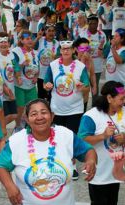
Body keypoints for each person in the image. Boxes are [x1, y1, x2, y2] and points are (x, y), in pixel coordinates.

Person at [44, 40, 90, 180]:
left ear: (73, 50)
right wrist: (47, 86)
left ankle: (72, 165)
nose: (65, 51)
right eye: (63, 49)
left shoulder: (80, 66)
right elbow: (46, 82)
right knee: (55, 137)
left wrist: (83, 87)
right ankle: (57, 163)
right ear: (60, 51)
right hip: (56, 109)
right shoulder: (53, 66)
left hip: (75, 109)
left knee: (71, 137)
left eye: (68, 49)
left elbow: (87, 85)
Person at [12, 29, 39, 132]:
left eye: (31, 38)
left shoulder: (34, 53)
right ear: (21, 40)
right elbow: (14, 66)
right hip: (19, 85)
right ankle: (18, 126)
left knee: (32, 106)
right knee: (20, 107)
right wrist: (20, 68)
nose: (30, 40)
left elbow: (37, 66)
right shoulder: (16, 51)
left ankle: (30, 125)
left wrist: (36, 76)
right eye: (27, 39)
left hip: (31, 85)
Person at [79, 14, 107, 97]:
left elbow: (106, 49)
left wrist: (102, 51)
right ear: (88, 23)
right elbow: (77, 48)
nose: (92, 26)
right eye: (90, 23)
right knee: (85, 85)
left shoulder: (102, 35)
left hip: (97, 64)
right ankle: (84, 104)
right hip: (85, 64)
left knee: (95, 86)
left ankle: (95, 106)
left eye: (94, 23)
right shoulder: (83, 34)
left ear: (97, 24)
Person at [0, 32, 17, 125]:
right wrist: (5, 88)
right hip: (1, 91)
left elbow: (16, 67)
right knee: (6, 116)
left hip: (11, 88)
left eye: (5, 42)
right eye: (1, 42)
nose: (3, 44)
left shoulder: (12, 55)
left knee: (14, 115)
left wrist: (19, 77)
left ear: (9, 44)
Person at [105, 28, 125, 99]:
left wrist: (113, 48)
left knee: (120, 105)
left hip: (122, 84)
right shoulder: (112, 47)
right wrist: (103, 46)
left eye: (116, 36)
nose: (114, 38)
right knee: (111, 105)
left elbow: (119, 61)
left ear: (122, 39)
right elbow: (103, 55)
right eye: (114, 36)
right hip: (110, 83)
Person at [35, 23, 59, 101]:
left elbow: (59, 56)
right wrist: (37, 38)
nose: (51, 33)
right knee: (41, 96)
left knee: (51, 95)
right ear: (45, 31)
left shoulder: (57, 43)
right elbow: (32, 47)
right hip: (41, 73)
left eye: (53, 31)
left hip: (52, 73)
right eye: (49, 31)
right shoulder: (40, 40)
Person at [74, 37, 96, 112]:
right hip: (74, 98)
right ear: (76, 49)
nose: (85, 52)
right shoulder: (73, 61)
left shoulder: (90, 60)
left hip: (85, 97)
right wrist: (83, 60)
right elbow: (79, 76)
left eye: (87, 49)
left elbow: (92, 74)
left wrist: (94, 86)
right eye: (83, 49)